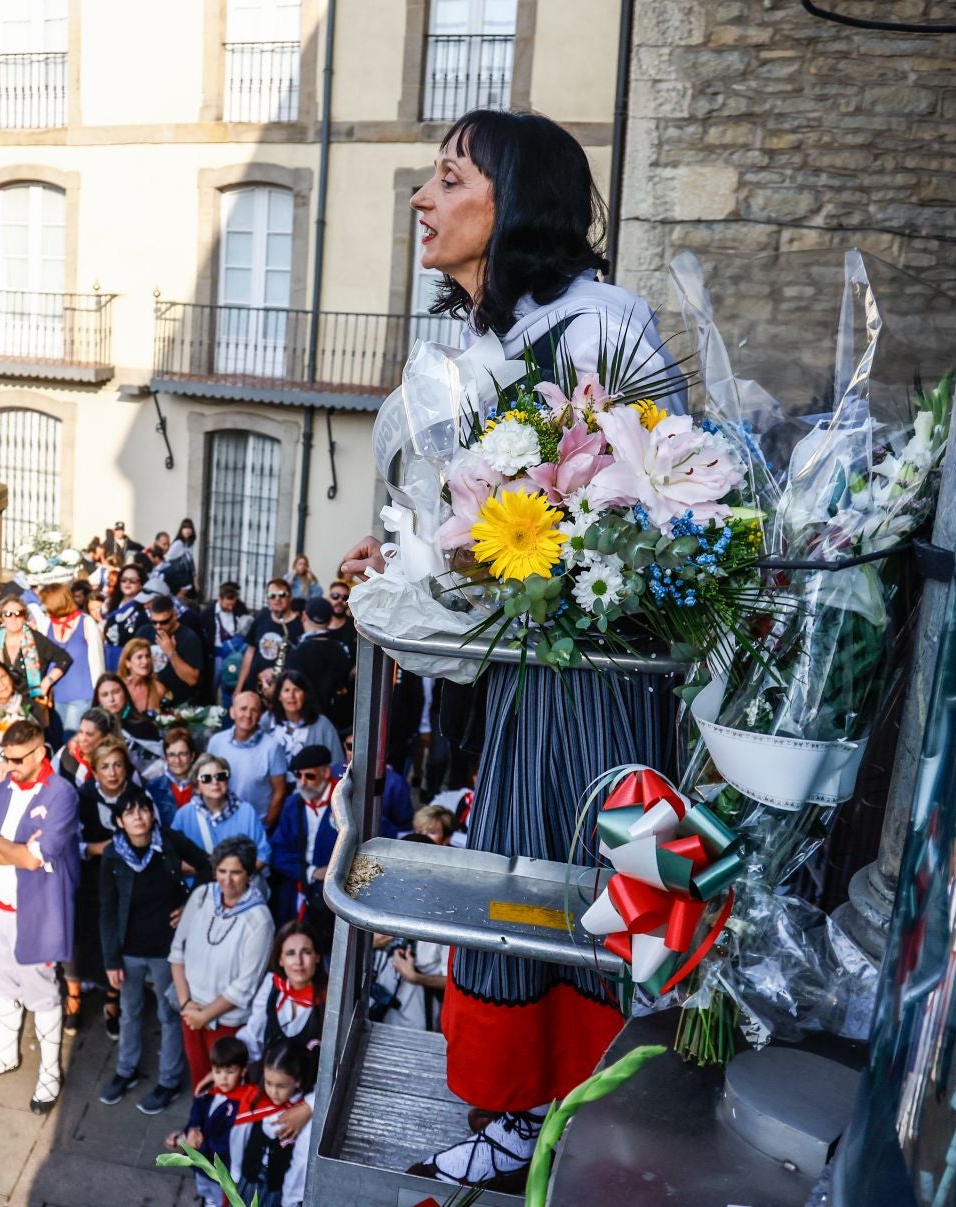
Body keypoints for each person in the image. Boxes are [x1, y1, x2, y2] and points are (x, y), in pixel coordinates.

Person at [346, 108, 682, 1187]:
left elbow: (675, 501)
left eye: (448, 179)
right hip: (535, 675)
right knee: (516, 882)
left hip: (607, 682)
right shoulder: (490, 343)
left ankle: (593, 1115)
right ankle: (513, 1115)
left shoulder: (601, 323)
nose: (422, 200)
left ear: (513, 201)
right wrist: (417, 554)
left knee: (583, 884)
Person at [0, 719, 79, 1114]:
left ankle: (49, 1073)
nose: (8, 766)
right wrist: (5, 846)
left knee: (42, 993)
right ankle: (6, 1054)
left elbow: (34, 858)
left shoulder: (61, 794)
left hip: (36, 913)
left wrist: (1, 846)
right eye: (5, 758)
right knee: (1, 984)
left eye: (16, 759)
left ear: (40, 753)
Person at [99, 791, 211, 1114]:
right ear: (120, 822)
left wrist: (189, 905)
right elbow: (107, 909)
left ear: (152, 815)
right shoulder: (112, 855)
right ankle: (126, 1070)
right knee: (129, 1009)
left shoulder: (169, 841)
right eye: (130, 813)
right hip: (129, 949)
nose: (138, 817)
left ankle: (169, 1080)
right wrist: (110, 959)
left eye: (143, 810)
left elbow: (206, 865)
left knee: (170, 1012)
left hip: (167, 948)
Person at [169, 835, 275, 1088]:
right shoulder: (202, 896)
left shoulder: (260, 920)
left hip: (226, 1022)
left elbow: (245, 987)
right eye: (221, 871)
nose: (227, 880)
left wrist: (205, 1016)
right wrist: (186, 1004)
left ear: (249, 874)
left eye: (235, 872)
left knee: (227, 1087)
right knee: (199, 1082)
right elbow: (177, 951)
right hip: (191, 1011)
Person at [72, 736, 142, 1038]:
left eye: (117, 765)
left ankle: (114, 999)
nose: (112, 772)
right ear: (95, 771)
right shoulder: (83, 797)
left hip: (125, 879)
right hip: (89, 876)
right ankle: (73, 997)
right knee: (84, 935)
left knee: (121, 935)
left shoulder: (137, 797)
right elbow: (69, 842)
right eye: (105, 766)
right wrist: (96, 848)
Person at [165, 1034, 273, 1207]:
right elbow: (196, 1114)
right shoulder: (208, 1092)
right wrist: (191, 1130)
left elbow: (230, 1141)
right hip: (202, 1160)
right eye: (217, 1071)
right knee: (204, 1188)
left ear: (243, 1070)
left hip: (222, 1165)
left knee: (218, 1196)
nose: (223, 1078)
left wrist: (192, 1142)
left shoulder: (245, 1103)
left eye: (230, 1072)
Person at [238, 1038, 319, 1206]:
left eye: (281, 1086)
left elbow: (301, 1162)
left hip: (277, 1188)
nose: (273, 1092)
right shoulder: (257, 1098)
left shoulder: (303, 1113)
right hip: (249, 1176)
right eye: (268, 1083)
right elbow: (240, 1136)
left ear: (297, 1081)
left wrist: (290, 1201)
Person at [268, 745, 338, 927]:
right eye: (298, 776)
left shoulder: (344, 803)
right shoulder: (293, 804)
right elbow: (278, 851)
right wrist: (312, 872)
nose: (303, 782)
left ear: (325, 773)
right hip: (297, 888)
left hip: (333, 893)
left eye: (310, 776)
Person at [239, 920, 327, 1060]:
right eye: (290, 953)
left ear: (317, 957)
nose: (298, 961)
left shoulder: (330, 998)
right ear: (280, 959)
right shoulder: (272, 985)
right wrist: (229, 1059)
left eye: (306, 952)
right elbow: (253, 1035)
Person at [171, 753, 271, 869]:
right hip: (199, 885)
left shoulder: (246, 812)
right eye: (206, 778)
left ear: (227, 781)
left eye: (220, 776)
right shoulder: (184, 815)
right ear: (196, 787)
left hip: (240, 884)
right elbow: (173, 858)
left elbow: (262, 855)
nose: (215, 782)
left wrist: (235, 877)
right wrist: (211, 873)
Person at [205, 692, 290, 826]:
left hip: (255, 826)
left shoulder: (272, 748)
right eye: (243, 709)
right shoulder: (216, 742)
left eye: (254, 710)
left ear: (260, 715)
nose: (248, 715)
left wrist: (265, 827)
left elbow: (279, 793)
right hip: (219, 822)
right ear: (232, 712)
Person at [0, 596, 70, 720]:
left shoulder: (37, 639)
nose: (13, 618)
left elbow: (64, 659)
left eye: (18, 613)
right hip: (1, 706)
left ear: (25, 617)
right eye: (8, 614)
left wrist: (46, 683)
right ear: (1, 618)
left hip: (31, 705)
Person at [34, 582, 103, 732]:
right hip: (54, 695)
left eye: (45, 603)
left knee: (71, 738)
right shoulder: (47, 624)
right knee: (55, 740)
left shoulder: (86, 622)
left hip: (81, 694)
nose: (43, 607)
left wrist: (100, 693)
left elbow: (97, 661)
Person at [287, 598, 354, 729]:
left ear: (304, 616)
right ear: (330, 620)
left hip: (305, 722)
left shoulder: (298, 653)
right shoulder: (340, 649)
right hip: (335, 721)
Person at [236, 580, 302, 697]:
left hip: (281, 694)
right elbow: (250, 653)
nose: (277, 599)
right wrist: (239, 688)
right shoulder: (262, 616)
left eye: (282, 595)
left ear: (290, 597)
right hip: (254, 688)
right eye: (272, 596)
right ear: (267, 599)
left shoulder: (299, 626)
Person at [267, 672, 339, 761]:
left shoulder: (322, 724)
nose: (291, 696)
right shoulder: (267, 720)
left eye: (297, 690)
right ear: (279, 696)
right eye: (286, 690)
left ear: (305, 695)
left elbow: (338, 765)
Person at [145, 726, 199, 814]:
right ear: (166, 758)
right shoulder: (154, 787)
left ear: (192, 756)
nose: (177, 760)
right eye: (172, 755)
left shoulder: (205, 784)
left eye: (182, 754)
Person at [117, 637, 166, 716]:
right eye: (139, 657)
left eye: (147, 656)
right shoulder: (118, 689)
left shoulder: (158, 689)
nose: (145, 661)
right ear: (127, 663)